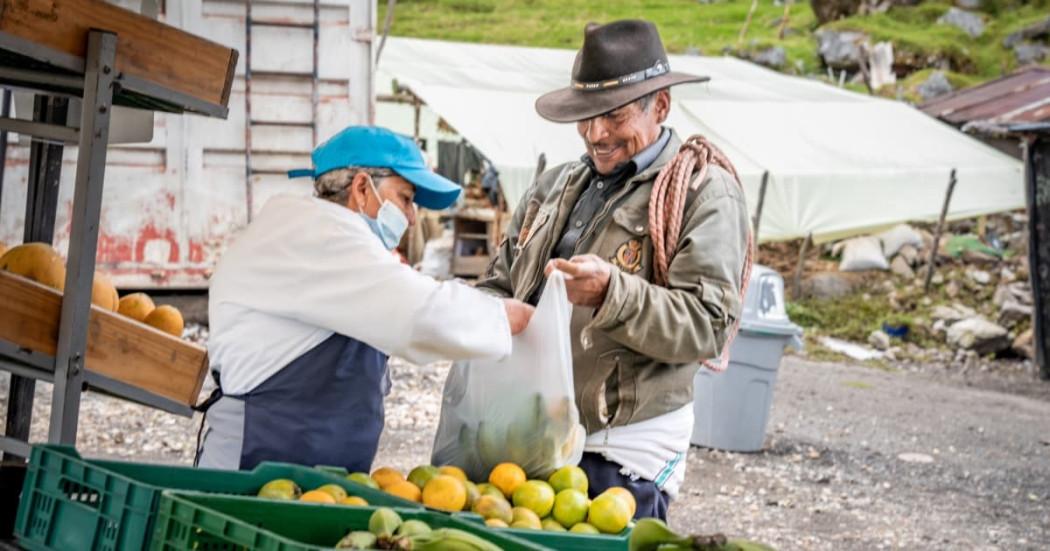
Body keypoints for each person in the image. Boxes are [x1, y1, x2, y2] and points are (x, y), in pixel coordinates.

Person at [476, 20, 751, 520]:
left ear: (661, 106)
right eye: (586, 117)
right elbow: (501, 281)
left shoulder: (704, 193)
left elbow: (709, 324)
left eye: (614, 115)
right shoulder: (554, 186)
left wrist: (611, 294)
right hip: (527, 430)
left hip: (621, 449)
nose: (596, 133)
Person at [197, 126, 534, 472]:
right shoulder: (319, 237)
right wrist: (510, 316)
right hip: (255, 466)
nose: (413, 218)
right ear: (361, 188)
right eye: (406, 199)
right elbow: (420, 315)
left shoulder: (316, 233)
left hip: (299, 473)